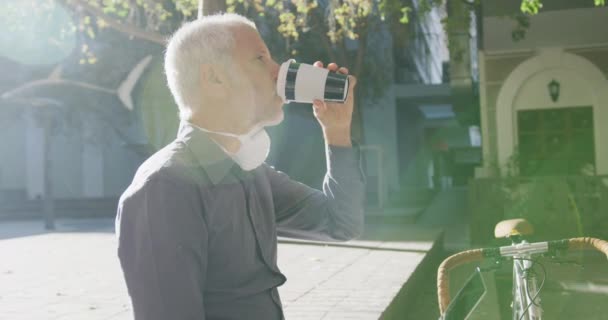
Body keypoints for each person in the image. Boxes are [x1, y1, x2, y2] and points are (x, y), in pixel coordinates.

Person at [115, 13, 365, 320]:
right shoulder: (164, 188)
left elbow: (341, 222)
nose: (279, 72)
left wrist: (337, 132)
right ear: (214, 79)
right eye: (260, 59)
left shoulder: (250, 171)